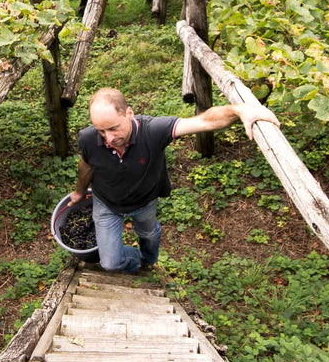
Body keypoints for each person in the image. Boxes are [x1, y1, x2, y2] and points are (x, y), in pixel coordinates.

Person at [68, 87, 279, 274]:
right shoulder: (88, 139)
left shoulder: (153, 131)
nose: (109, 138)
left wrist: (239, 110)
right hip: (107, 204)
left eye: (114, 128)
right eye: (101, 131)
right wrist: (79, 191)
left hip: (144, 202)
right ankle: (136, 261)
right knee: (110, 263)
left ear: (129, 114)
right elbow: (86, 165)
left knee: (148, 234)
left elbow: (205, 121)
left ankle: (148, 261)